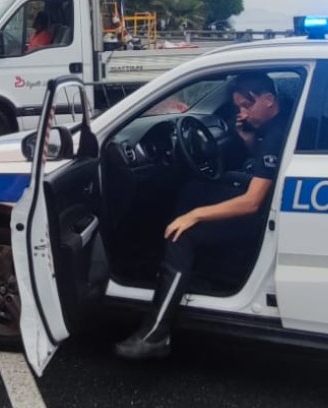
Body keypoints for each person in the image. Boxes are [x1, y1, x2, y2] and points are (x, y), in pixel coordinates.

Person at [114, 72, 290, 360]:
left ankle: (156, 333)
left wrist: (194, 216)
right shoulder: (274, 126)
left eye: (247, 107)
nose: (242, 114)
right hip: (265, 200)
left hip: (263, 217)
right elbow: (263, 168)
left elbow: (252, 202)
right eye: (238, 109)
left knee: (182, 233)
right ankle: (182, 271)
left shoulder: (276, 133)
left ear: (269, 100)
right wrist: (246, 137)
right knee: (193, 188)